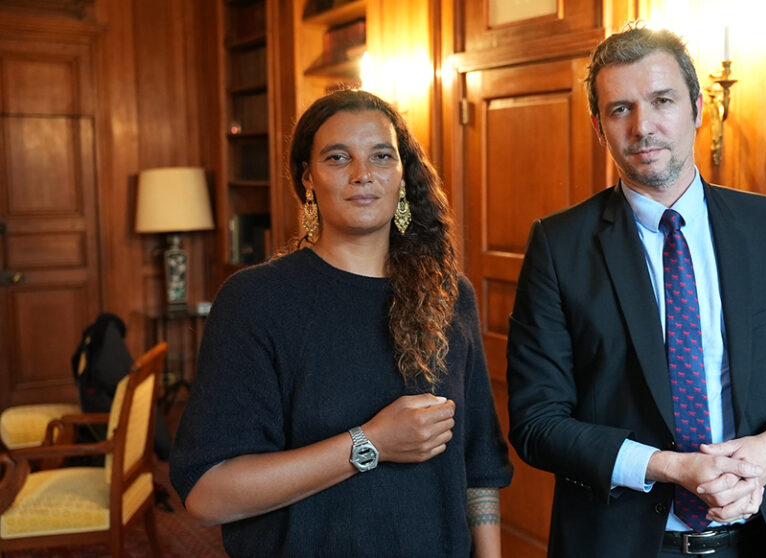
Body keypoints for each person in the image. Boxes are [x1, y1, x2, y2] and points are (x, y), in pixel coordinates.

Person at [505, 23, 766, 558]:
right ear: (600, 127)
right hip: (615, 542)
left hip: (754, 537)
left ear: (696, 107)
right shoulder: (558, 246)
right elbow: (537, 422)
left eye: (661, 100)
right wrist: (669, 467)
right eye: (620, 109)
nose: (643, 126)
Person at [170, 89, 513, 558]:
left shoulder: (451, 297)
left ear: (402, 176)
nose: (362, 175)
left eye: (381, 156)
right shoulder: (256, 301)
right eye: (338, 158)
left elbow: (479, 465)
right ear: (307, 178)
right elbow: (207, 496)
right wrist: (369, 443)